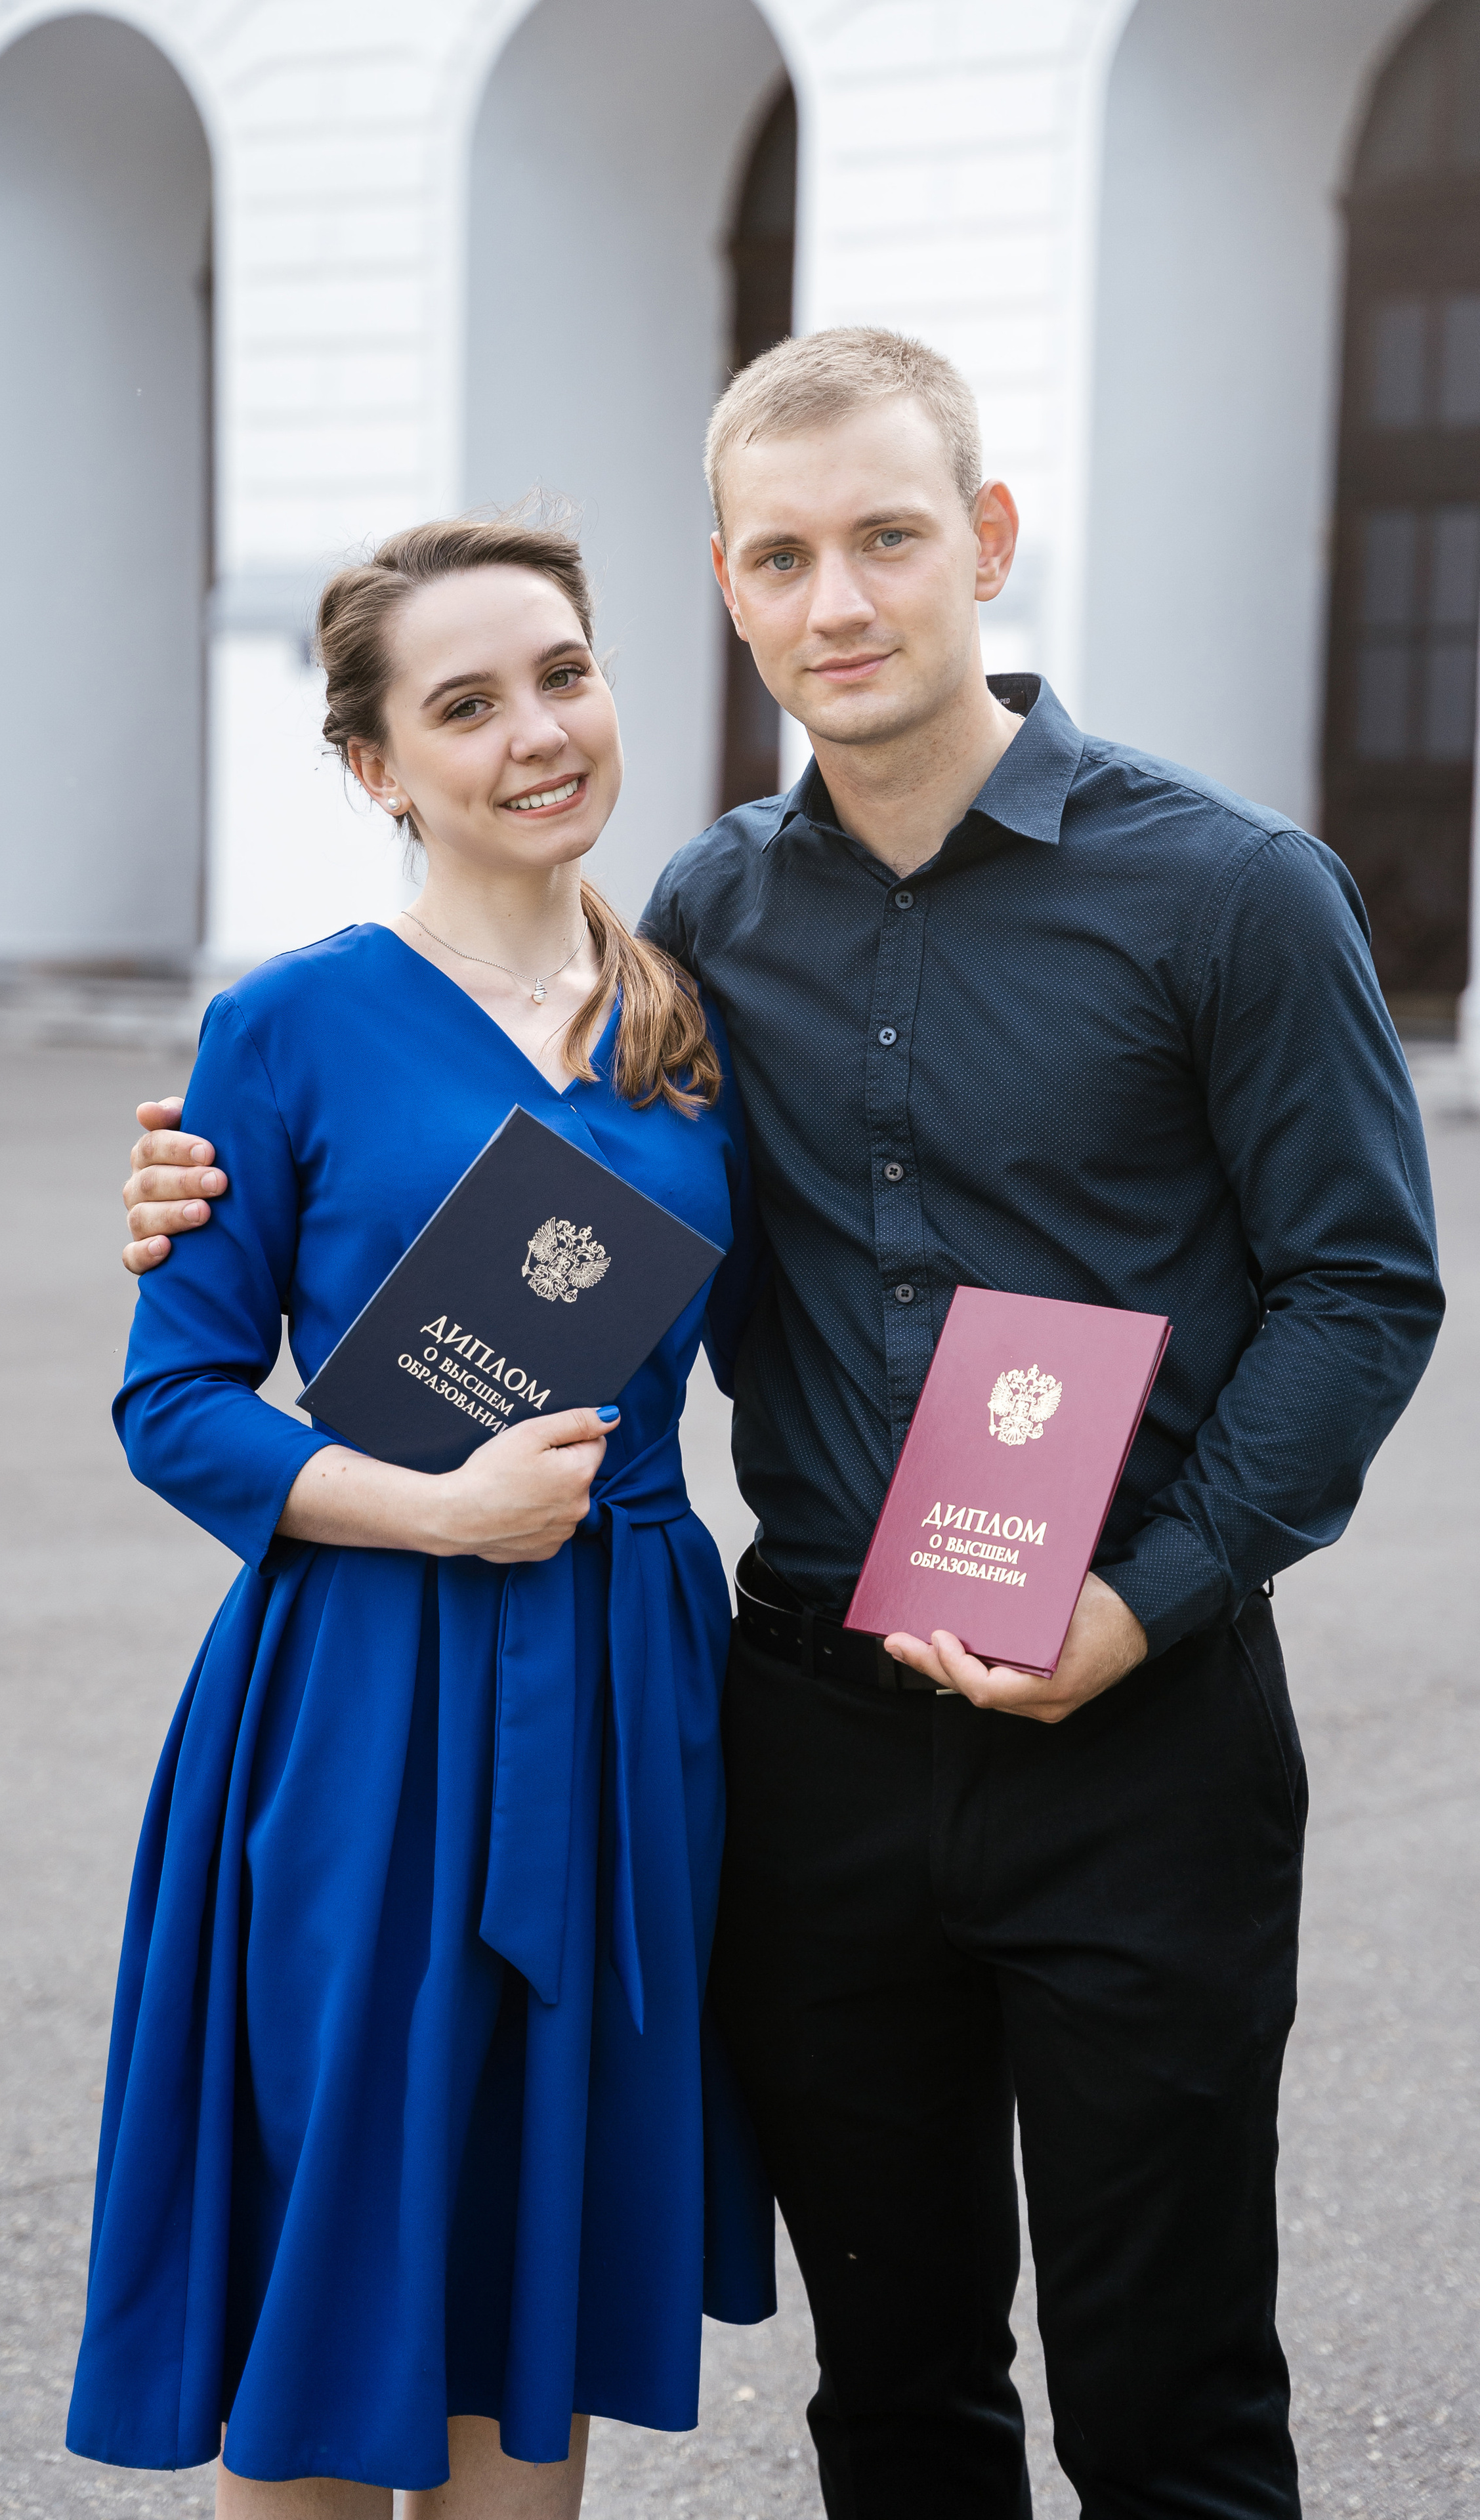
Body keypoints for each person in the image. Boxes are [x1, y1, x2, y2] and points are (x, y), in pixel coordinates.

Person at [120, 329, 1445, 2518]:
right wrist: (193, 1178)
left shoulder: (1229, 892)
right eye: (783, 557)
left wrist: (1146, 1601)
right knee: (897, 2392)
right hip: (806, 1739)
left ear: (986, 543)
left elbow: (1362, 1289)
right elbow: (430, 1121)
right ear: (731, 594)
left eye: (890, 539)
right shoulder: (709, 930)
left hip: (1139, 1725)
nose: (839, 601)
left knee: (1172, 2395)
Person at [70, 514, 774, 2518]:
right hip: (370, 1692)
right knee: (341, 2282)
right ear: (377, 769)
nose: (538, 731)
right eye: (466, 704)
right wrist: (436, 1508)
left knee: (513, 2311)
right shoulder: (285, 1026)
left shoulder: (695, 1025)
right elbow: (173, 1400)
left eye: (565, 672)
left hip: (634, 1692)